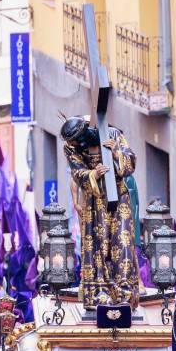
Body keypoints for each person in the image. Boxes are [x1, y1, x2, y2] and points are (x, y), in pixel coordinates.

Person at [60, 116, 139, 308]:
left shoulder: (113, 134)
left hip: (119, 199)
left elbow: (130, 163)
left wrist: (115, 153)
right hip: (95, 203)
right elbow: (77, 172)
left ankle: (125, 293)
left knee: (122, 242)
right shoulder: (71, 147)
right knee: (98, 246)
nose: (76, 144)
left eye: (78, 139)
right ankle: (99, 292)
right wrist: (93, 174)